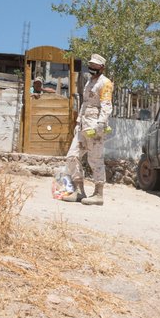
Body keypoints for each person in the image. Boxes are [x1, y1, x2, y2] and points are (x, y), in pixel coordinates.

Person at [63, 53, 112, 206]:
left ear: (102, 67)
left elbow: (106, 105)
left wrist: (101, 123)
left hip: (95, 124)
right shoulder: (89, 82)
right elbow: (84, 103)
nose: (92, 68)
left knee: (94, 158)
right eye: (91, 65)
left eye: (95, 66)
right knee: (72, 156)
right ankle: (78, 191)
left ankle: (98, 194)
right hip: (83, 124)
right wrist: (78, 123)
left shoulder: (106, 83)